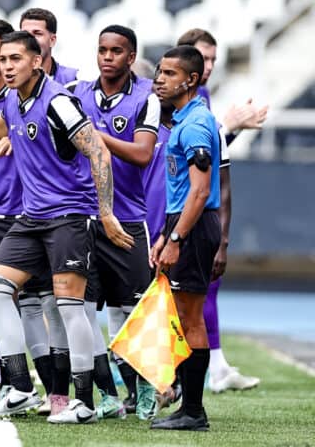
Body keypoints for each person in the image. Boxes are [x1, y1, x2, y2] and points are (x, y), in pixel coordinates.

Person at [0, 30, 133, 422]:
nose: (7, 66)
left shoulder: (59, 102)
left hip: (68, 216)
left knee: (68, 308)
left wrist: (105, 212)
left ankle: (82, 402)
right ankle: (18, 387)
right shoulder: (15, 102)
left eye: (15, 59)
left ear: (37, 61)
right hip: (31, 219)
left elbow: (97, 150)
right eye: (4, 60)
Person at [67, 25, 160, 420]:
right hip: (80, 216)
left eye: (116, 51)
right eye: (102, 49)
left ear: (131, 56)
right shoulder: (76, 95)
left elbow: (142, 154)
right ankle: (106, 393)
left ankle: (144, 389)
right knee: (83, 311)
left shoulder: (147, 99)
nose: (107, 57)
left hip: (126, 219)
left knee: (130, 312)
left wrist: (93, 137)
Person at [176, 28, 264, 393]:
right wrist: (228, 126)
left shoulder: (203, 95)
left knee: (202, 290)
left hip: (199, 206)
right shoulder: (174, 97)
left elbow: (212, 152)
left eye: (213, 58)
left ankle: (214, 366)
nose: (208, 66)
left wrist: (230, 128)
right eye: (202, 58)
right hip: (175, 209)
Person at [149, 45, 222, 431]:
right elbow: (180, 192)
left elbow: (198, 189)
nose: (160, 80)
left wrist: (176, 236)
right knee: (181, 314)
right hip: (183, 224)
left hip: (193, 226)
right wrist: (165, 235)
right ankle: (186, 404)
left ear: (191, 80)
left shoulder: (194, 124)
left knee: (191, 318)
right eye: (159, 72)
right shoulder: (183, 119)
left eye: (170, 74)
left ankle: (193, 410)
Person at [19, 7, 78, 85]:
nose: (30, 40)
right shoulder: (9, 79)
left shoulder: (71, 80)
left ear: (52, 40)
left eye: (37, 33)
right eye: (25, 34)